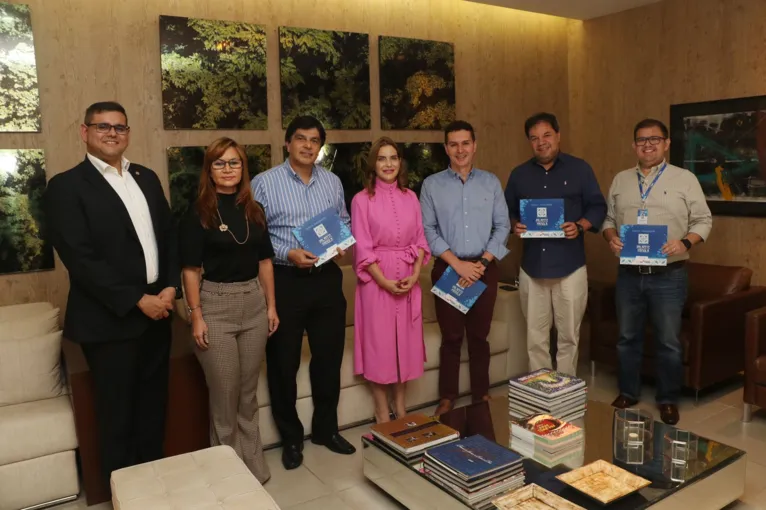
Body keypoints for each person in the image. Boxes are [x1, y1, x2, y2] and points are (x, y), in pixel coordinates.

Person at [44, 102, 179, 485]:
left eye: (119, 127)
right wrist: (139, 300)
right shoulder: (67, 187)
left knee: (154, 409)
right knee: (117, 415)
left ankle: (155, 488)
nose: (112, 133)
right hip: (110, 321)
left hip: (160, 313)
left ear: (128, 133)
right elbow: (80, 259)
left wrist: (169, 288)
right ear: (84, 132)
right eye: (102, 127)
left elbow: (168, 237)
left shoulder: (147, 178)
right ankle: (126, 494)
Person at [251, 115, 355, 470]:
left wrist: (343, 241)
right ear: (287, 143)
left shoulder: (333, 181)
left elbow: (344, 221)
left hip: (327, 280)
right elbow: (255, 238)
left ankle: (326, 430)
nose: (308, 146)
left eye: (314, 140)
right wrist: (287, 254)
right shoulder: (264, 183)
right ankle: (291, 439)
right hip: (285, 281)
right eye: (301, 139)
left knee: (328, 359)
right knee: (284, 364)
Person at [180, 137, 278, 483]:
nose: (227, 169)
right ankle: (229, 475)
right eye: (220, 163)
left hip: (253, 304)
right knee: (225, 396)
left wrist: (271, 306)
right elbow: (190, 270)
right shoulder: (199, 212)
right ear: (210, 169)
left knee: (248, 395)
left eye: (234, 162)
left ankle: (254, 468)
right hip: (215, 307)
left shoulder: (253, 209)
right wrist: (196, 315)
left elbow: (265, 262)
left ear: (243, 168)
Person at [602, 118, 712, 425]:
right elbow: (608, 220)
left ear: (666, 144)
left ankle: (667, 399)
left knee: (667, 341)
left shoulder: (684, 179)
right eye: (641, 140)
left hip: (669, 275)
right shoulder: (621, 179)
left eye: (654, 139)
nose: (647, 145)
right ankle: (628, 391)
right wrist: (612, 239)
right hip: (629, 273)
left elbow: (704, 220)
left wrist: (684, 242)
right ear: (633, 145)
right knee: (627, 337)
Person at [420, 120, 511, 416]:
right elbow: (428, 230)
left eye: (465, 143)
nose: (460, 150)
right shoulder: (432, 185)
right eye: (454, 144)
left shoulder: (491, 182)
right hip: (448, 268)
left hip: (484, 268)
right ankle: (447, 397)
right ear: (446, 148)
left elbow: (502, 226)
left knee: (479, 337)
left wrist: (482, 262)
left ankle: (481, 395)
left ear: (475, 145)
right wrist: (458, 265)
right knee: (451, 338)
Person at [505, 112, 606, 376]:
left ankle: (565, 389)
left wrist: (581, 225)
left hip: (570, 266)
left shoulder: (580, 169)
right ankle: (541, 389)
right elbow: (506, 211)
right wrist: (514, 224)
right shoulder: (519, 175)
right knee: (535, 338)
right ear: (529, 142)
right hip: (532, 267)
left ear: (558, 136)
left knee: (568, 337)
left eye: (547, 135)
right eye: (534, 138)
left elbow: (598, 206)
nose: (541, 142)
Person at [351, 137, 430, 424]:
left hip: (408, 277)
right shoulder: (361, 200)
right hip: (376, 282)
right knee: (380, 345)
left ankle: (401, 406)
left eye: (393, 158)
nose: (388, 164)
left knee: (405, 345)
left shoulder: (411, 197)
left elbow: (421, 240)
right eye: (382, 158)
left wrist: (415, 274)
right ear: (373, 164)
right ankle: (382, 409)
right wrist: (383, 282)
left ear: (400, 162)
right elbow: (362, 247)